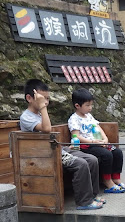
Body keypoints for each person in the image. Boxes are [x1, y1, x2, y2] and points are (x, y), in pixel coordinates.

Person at [19, 79, 103, 210]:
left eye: (47, 99)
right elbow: (47, 129)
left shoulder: (40, 113)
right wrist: (42, 107)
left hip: (56, 148)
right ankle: (84, 202)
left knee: (92, 159)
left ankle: (92, 195)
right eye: (42, 98)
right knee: (80, 164)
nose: (46, 102)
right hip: (43, 155)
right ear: (29, 98)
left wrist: (42, 108)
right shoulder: (26, 117)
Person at [69, 88, 125, 194]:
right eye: (87, 105)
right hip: (86, 146)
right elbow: (76, 136)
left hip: (97, 143)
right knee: (106, 155)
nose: (90, 108)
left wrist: (105, 139)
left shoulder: (89, 116)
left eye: (91, 105)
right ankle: (107, 181)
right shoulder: (74, 119)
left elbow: (98, 128)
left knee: (117, 152)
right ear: (77, 106)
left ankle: (116, 178)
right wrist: (93, 142)